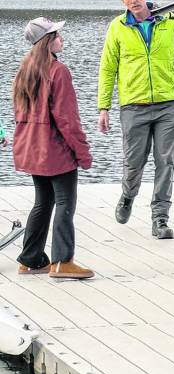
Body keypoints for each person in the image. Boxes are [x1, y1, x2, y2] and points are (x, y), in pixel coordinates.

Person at [97, 0, 174, 239]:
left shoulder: (170, 22)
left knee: (166, 162)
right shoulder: (117, 26)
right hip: (133, 107)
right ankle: (128, 195)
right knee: (134, 163)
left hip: (167, 106)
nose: (133, 0)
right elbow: (108, 68)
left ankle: (160, 218)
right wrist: (104, 107)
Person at [12, 17, 94, 279]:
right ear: (47, 41)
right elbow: (68, 120)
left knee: (42, 202)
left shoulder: (24, 70)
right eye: (57, 35)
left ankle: (31, 259)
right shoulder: (59, 71)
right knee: (65, 203)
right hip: (56, 151)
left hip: (33, 150)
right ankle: (62, 262)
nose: (62, 38)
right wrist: (83, 153)